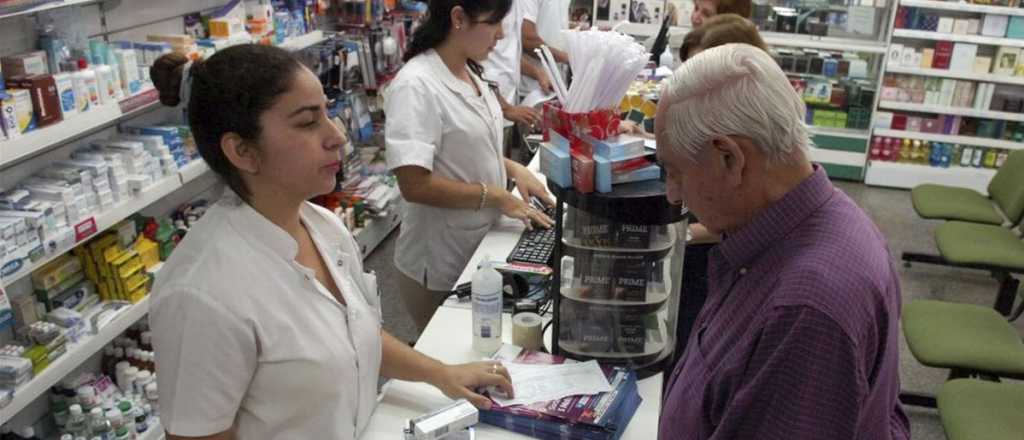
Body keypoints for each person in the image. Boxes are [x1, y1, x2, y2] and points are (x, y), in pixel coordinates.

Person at [149, 44, 515, 440]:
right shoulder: (202, 295)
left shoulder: (322, 226)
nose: (337, 135)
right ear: (242, 151)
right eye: (308, 122)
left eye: (327, 112)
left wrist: (439, 373)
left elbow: (353, 334)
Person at [654, 43, 909, 439]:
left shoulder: (807, 309)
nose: (673, 194)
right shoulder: (804, 225)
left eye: (676, 172)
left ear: (730, 159)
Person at [385, 0, 555, 334]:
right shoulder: (416, 85)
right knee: (452, 354)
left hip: (479, 243)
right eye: (494, 23)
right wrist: (497, 196)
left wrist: (514, 170)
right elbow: (414, 184)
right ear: (459, 18)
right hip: (438, 261)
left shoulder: (471, 71)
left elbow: (470, 148)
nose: (502, 34)